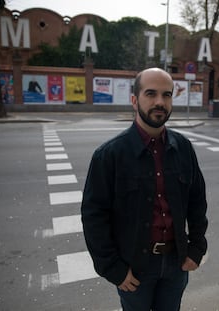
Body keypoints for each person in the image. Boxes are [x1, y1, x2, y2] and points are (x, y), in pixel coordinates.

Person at [81, 67, 208, 311]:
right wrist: (113, 269)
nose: (160, 102)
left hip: (176, 263)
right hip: (134, 268)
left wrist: (196, 248)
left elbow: (197, 202)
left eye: (167, 95)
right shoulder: (109, 156)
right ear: (134, 100)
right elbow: (94, 216)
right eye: (151, 94)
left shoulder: (183, 149)